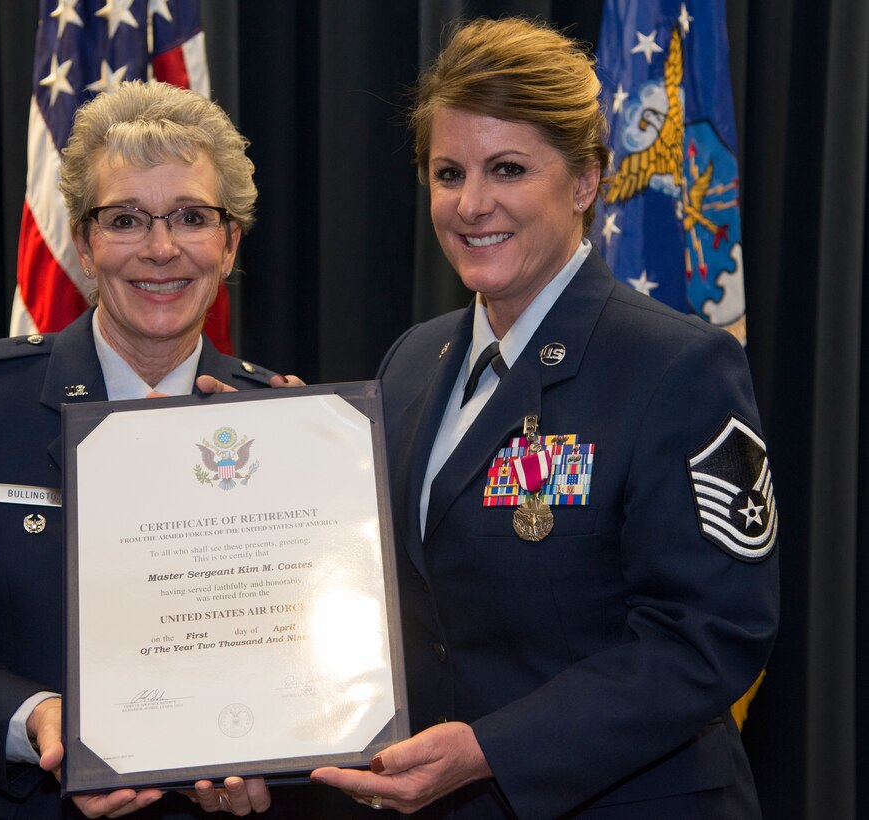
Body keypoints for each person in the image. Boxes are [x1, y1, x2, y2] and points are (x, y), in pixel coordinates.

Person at [311, 17, 779, 818]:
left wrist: (493, 751)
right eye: (448, 171)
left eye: (509, 169)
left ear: (587, 181)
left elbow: (709, 637)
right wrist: (282, 450)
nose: (472, 203)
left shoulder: (678, 367)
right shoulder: (412, 362)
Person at [0, 81, 290, 819]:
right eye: (125, 219)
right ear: (85, 245)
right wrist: (36, 719)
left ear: (229, 244)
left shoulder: (287, 430)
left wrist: (274, 745)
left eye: (191, 217)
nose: (161, 249)